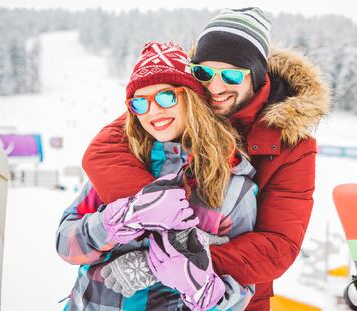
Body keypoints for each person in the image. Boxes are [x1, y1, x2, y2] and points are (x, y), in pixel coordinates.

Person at [81, 7, 331, 311]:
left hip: (233, 297)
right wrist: (155, 213)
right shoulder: (179, 105)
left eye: (230, 75)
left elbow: (279, 245)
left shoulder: (292, 143)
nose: (214, 87)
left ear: (257, 76)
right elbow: (103, 152)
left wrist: (174, 258)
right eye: (203, 73)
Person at [57, 41, 259, 310]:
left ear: (192, 98)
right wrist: (119, 220)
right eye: (139, 103)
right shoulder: (119, 164)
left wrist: (196, 284)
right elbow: (65, 246)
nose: (153, 111)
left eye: (166, 96)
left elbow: (242, 290)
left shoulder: (232, 184)